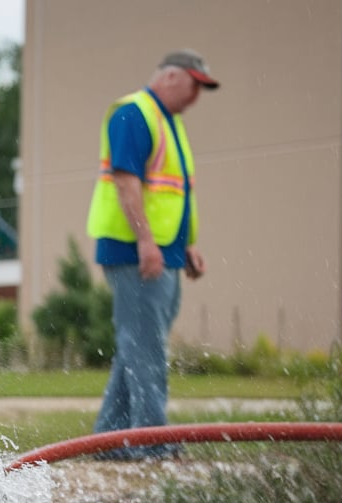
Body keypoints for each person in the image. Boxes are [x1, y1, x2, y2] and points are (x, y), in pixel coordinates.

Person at [85, 49, 218, 460]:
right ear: (172, 76)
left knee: (137, 346)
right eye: (196, 84)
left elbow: (174, 194)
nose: (198, 95)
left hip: (164, 253)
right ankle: (153, 442)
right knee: (146, 349)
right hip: (136, 252)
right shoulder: (133, 113)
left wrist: (186, 246)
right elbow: (127, 182)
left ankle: (110, 440)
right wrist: (147, 243)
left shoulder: (169, 122)